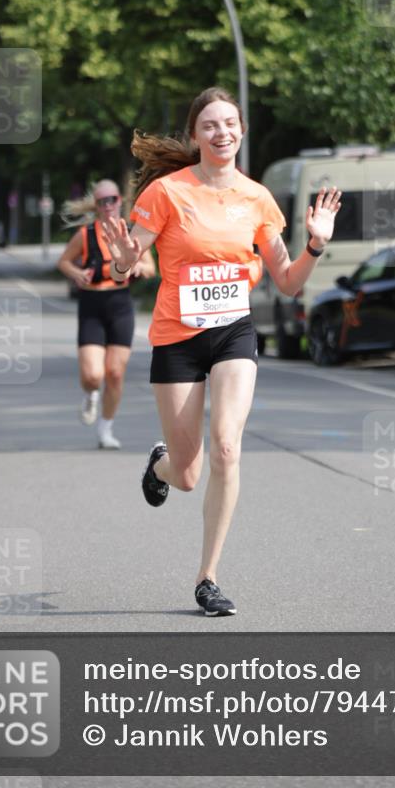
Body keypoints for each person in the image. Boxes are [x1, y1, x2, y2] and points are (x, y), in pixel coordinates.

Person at [103, 87, 341, 616]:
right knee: (188, 474)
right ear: (195, 135)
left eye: (230, 123)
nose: (222, 132)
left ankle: (208, 578)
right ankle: (160, 464)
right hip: (177, 337)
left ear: (242, 131)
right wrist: (121, 263)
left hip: (233, 331)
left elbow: (287, 283)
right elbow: (129, 261)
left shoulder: (258, 198)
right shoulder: (166, 193)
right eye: (210, 125)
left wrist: (315, 245)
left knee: (227, 447)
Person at [57, 179, 155, 449]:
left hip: (120, 304)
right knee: (93, 375)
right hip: (91, 304)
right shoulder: (86, 234)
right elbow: (63, 261)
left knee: (114, 373)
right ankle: (90, 395)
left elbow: (150, 267)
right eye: (102, 202)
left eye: (112, 199)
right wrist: (77, 273)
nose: (108, 205)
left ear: (119, 201)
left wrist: (138, 269)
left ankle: (105, 429)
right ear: (97, 206)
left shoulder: (134, 232)